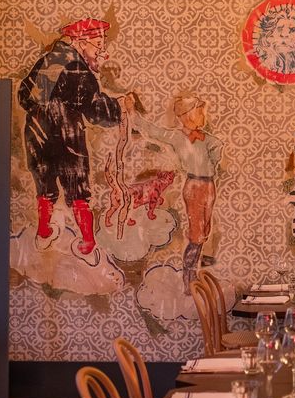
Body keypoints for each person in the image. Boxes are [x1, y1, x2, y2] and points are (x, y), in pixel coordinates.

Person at [18, 17, 132, 263]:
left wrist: (46, 111)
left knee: (45, 185)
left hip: (37, 135)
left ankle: (43, 233)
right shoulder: (77, 68)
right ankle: (88, 245)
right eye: (97, 43)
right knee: (78, 189)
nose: (101, 49)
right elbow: (93, 109)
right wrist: (119, 106)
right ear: (80, 41)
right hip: (67, 136)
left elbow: (25, 96)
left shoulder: (51, 60)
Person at [130, 93, 223, 292]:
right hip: (195, 186)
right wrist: (132, 112)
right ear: (187, 115)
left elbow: (215, 155)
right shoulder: (177, 137)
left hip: (209, 186)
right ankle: (189, 277)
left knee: (205, 231)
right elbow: (153, 130)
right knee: (197, 232)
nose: (202, 114)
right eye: (198, 110)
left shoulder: (209, 140)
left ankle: (195, 272)